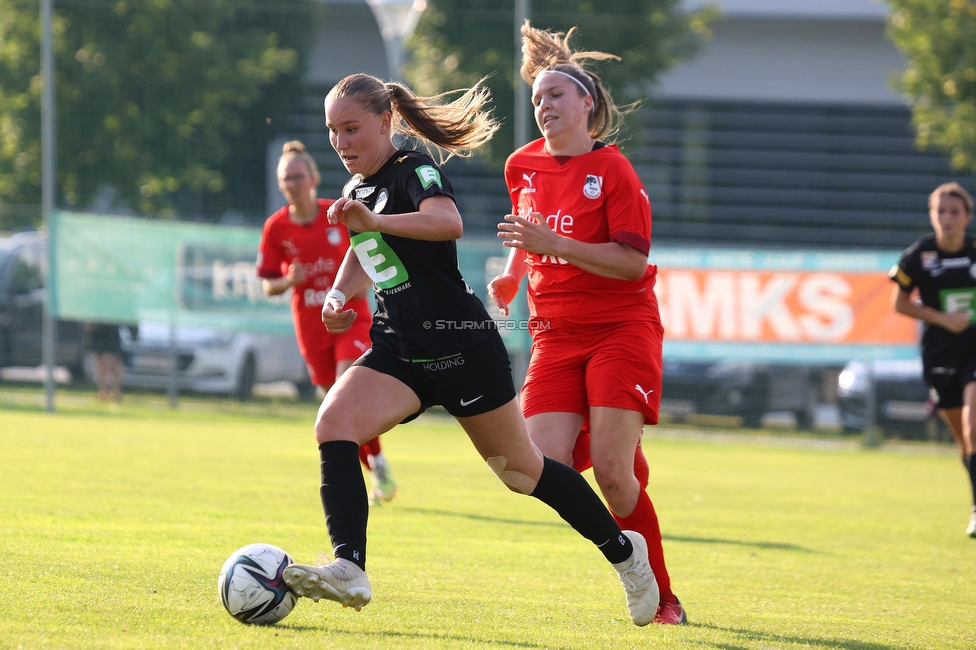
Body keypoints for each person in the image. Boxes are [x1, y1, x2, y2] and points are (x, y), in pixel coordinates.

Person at [280, 72, 661, 626]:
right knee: (333, 426)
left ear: (386, 123)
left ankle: (626, 555)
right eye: (333, 131)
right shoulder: (355, 192)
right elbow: (365, 249)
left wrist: (374, 221)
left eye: (352, 128)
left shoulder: (415, 169)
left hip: (460, 344)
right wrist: (339, 295)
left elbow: (446, 221)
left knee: (523, 472)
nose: (340, 142)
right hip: (399, 349)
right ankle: (350, 568)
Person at [487, 21, 685, 624]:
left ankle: (663, 601)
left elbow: (630, 263)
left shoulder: (615, 171)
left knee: (619, 484)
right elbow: (531, 230)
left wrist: (552, 244)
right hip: (553, 333)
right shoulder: (521, 165)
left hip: (620, 327)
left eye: (555, 95)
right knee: (529, 470)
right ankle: (612, 455)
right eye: (537, 97)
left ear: (586, 104)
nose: (543, 105)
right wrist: (514, 273)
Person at [257, 140, 397, 505]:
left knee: (343, 391)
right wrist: (289, 280)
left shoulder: (335, 214)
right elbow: (269, 284)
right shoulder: (275, 228)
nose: (293, 183)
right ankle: (376, 461)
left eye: (298, 176)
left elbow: (368, 259)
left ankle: (358, 481)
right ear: (280, 183)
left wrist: (347, 291)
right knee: (336, 404)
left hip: (350, 318)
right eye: (286, 178)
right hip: (310, 325)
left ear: (314, 178)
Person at [890, 181, 976, 538]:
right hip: (940, 355)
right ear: (932, 215)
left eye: (954, 212)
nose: (947, 218)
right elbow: (899, 303)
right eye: (941, 211)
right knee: (964, 441)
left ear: (967, 217)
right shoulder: (920, 255)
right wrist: (942, 319)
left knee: (975, 428)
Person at [85, 322, 123, 402]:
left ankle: (116, 392)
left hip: (111, 325)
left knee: (115, 360)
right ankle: (104, 392)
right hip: (98, 327)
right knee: (100, 360)